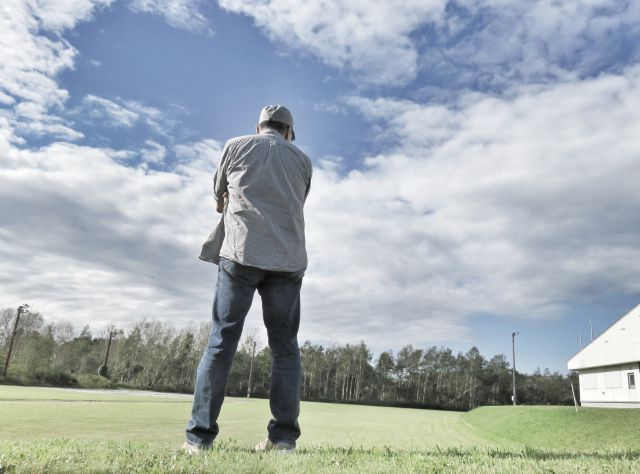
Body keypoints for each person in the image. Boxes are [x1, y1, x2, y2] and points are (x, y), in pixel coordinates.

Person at [184, 105, 312, 453]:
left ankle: (199, 440)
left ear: (259, 127)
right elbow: (296, 200)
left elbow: (218, 197)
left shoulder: (235, 145)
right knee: (285, 348)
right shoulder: (303, 160)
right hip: (286, 261)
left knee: (222, 340)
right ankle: (283, 440)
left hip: (241, 254)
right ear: (288, 132)